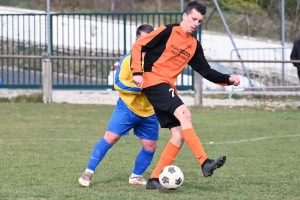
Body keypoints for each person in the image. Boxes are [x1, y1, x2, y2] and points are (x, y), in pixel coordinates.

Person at [130, 1, 241, 190]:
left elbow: (206, 71)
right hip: (154, 80)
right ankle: (204, 162)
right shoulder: (167, 31)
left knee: (179, 135)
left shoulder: (193, 45)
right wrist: (137, 72)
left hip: (166, 86)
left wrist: (228, 79)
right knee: (185, 114)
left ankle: (154, 179)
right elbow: (139, 45)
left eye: (199, 21)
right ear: (184, 15)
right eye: (193, 19)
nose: (196, 23)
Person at [78, 24, 158, 187]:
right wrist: (140, 88)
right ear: (137, 41)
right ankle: (88, 172)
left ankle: (136, 176)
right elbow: (118, 83)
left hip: (149, 111)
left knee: (150, 146)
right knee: (111, 138)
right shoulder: (128, 59)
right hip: (127, 108)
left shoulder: (157, 61)